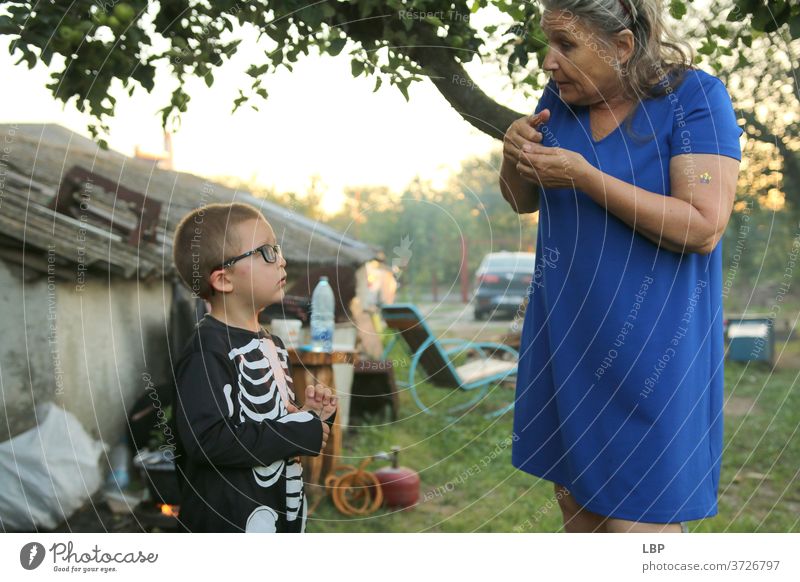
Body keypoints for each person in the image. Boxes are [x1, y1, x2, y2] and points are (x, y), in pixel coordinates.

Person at [501, 0, 742, 533]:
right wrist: (512, 154)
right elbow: (522, 200)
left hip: (651, 357)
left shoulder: (696, 99)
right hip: (565, 343)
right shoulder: (559, 102)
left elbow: (703, 226)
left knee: (636, 529)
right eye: (549, 44)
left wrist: (587, 177)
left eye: (566, 45)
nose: (548, 61)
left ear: (622, 46)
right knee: (580, 516)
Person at [170, 202, 337, 532]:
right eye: (267, 252)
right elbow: (208, 439)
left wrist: (305, 416)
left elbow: (266, 421)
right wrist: (296, 434)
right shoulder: (208, 351)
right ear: (224, 279)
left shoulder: (270, 343)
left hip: (277, 510)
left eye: (278, 249)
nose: (282, 260)